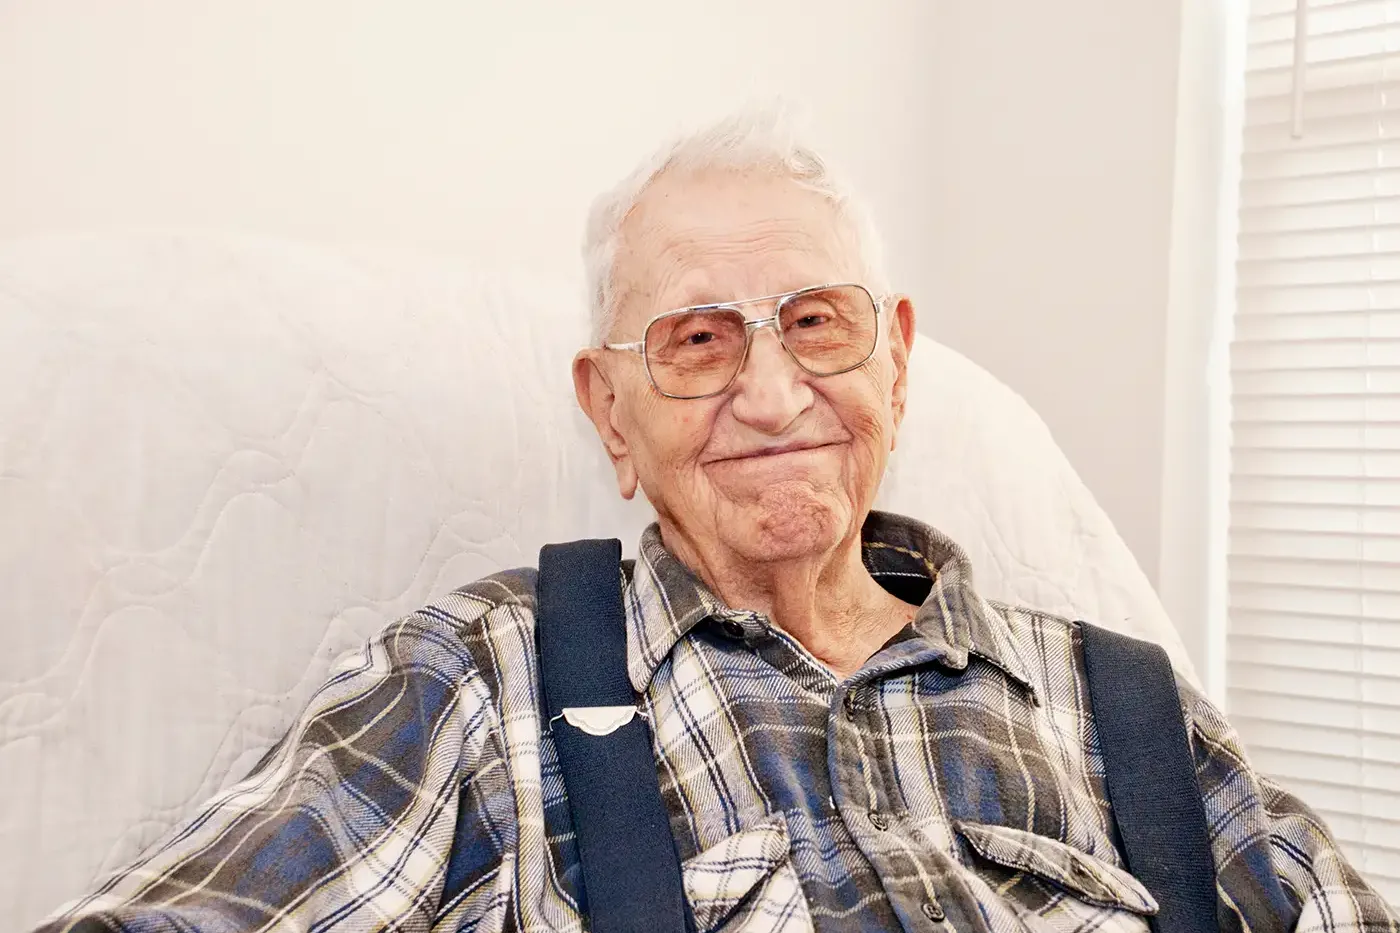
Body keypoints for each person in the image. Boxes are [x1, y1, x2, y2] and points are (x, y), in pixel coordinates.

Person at [36, 112, 1397, 933]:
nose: (770, 391)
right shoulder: (484, 682)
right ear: (610, 414)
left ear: (897, 362)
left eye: (816, 322)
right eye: (696, 340)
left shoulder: (1131, 714)